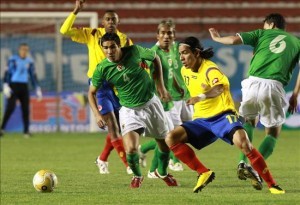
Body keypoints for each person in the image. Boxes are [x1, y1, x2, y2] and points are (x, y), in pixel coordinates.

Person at [165, 36, 285, 194]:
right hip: (201, 120)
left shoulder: (210, 69)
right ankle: (203, 172)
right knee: (171, 138)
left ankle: (272, 184)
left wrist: (200, 97)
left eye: (185, 53)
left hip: (222, 116)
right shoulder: (184, 70)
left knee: (245, 144)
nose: (182, 58)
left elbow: (219, 88)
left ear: (196, 52)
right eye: (180, 54)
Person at [209, 13, 300, 182]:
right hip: (274, 85)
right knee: (272, 132)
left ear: (271, 25)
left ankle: (242, 162)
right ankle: (253, 167)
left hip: (252, 83)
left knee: (249, 121)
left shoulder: (261, 33)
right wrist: (295, 94)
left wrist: (217, 38)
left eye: (265, 24)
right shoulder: (297, 42)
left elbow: (233, 40)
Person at [88, 32, 179, 188]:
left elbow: (155, 58)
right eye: (105, 48)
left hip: (151, 104)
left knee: (164, 145)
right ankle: (137, 175)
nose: (109, 51)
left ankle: (162, 172)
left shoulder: (135, 51)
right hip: (129, 110)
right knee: (130, 149)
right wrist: (97, 114)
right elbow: (91, 92)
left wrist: (160, 85)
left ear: (119, 46)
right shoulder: (102, 68)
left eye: (112, 47)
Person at [60, 0, 132, 174]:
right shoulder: (92, 34)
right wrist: (76, 11)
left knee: (120, 127)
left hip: (117, 87)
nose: (111, 22)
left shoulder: (125, 40)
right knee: (113, 127)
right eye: (108, 19)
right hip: (98, 86)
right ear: (102, 22)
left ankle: (102, 159)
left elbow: (131, 62)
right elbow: (64, 31)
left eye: (114, 19)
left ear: (118, 22)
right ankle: (130, 167)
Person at [138, 19, 188, 177]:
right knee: (169, 137)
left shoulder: (173, 49)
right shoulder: (153, 53)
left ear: (174, 35)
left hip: (170, 100)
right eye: (163, 33)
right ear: (157, 35)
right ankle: (157, 169)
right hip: (157, 102)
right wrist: (160, 90)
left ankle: (155, 166)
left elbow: (170, 71)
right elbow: (149, 76)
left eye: (170, 33)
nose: (167, 36)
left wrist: (177, 85)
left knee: (173, 136)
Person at [0, 43, 42, 138]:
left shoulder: (29, 62)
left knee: (26, 109)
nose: (24, 52)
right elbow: (7, 73)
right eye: (23, 49)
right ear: (19, 50)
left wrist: (37, 88)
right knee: (10, 108)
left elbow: (32, 76)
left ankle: (26, 131)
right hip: (14, 86)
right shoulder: (13, 59)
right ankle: (2, 129)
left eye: (26, 50)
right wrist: (6, 85)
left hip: (24, 86)